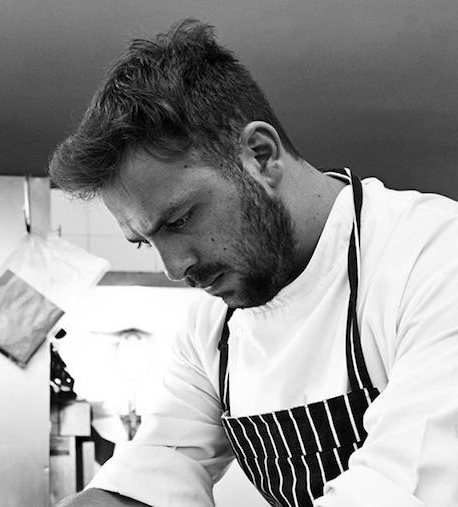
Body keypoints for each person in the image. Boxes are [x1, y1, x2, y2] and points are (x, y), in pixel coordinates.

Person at [48, 18, 458, 507]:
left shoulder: (432, 255)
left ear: (260, 156)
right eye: (144, 241)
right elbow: (156, 469)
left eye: (179, 220)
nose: (175, 269)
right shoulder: (211, 328)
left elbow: (401, 488)